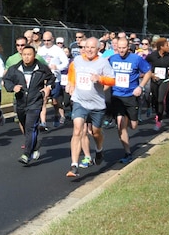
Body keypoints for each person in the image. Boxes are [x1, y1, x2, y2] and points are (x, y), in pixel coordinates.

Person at [65, 37, 115, 178]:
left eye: (92, 48)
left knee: (96, 132)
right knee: (77, 130)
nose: (89, 50)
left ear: (98, 49)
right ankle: (74, 165)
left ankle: (99, 149)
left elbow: (112, 80)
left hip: (97, 104)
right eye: (87, 47)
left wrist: (100, 79)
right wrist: (71, 83)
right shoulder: (78, 60)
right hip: (79, 101)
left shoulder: (103, 63)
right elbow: (72, 72)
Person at [2, 44, 54, 165]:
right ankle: (34, 146)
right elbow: (7, 80)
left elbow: (51, 78)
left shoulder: (42, 68)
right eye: (24, 55)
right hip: (20, 101)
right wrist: (13, 87)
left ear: (34, 55)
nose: (26, 57)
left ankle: (26, 154)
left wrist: (48, 88)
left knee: (31, 126)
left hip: (35, 101)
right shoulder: (15, 69)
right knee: (26, 126)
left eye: (29, 54)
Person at [107, 35, 152, 163]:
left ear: (128, 47)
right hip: (117, 95)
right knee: (121, 124)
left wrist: (140, 86)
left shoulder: (136, 59)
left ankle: (132, 117)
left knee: (133, 125)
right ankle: (127, 152)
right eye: (119, 48)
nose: (121, 50)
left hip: (131, 96)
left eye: (123, 48)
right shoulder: (112, 59)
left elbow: (148, 72)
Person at [37, 31, 69, 129]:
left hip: (55, 78)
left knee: (54, 101)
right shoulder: (40, 50)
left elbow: (66, 63)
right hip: (43, 79)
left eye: (48, 40)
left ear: (53, 39)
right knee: (44, 99)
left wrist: (57, 67)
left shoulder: (58, 50)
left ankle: (57, 114)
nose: (46, 42)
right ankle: (43, 122)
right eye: (44, 40)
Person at [146, 37, 169, 130]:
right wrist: (152, 74)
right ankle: (155, 110)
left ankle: (159, 119)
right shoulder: (152, 55)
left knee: (160, 100)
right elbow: (144, 65)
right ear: (161, 47)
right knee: (155, 98)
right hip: (155, 80)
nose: (168, 47)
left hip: (165, 80)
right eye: (166, 45)